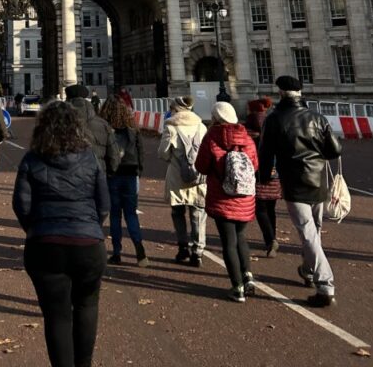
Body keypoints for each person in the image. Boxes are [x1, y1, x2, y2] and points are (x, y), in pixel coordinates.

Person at [12, 100, 109, 367]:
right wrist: (90, 228)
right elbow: (104, 204)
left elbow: (21, 205)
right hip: (88, 243)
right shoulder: (90, 157)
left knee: (57, 317)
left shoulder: (31, 158)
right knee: (87, 307)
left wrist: (35, 230)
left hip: (45, 244)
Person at [258, 75, 342, 308]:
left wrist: (264, 177)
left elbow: (265, 153)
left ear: (281, 93)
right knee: (314, 230)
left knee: (308, 233)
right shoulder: (317, 116)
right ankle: (307, 270)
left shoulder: (274, 119)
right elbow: (335, 150)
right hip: (317, 181)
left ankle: (325, 285)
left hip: (294, 182)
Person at [195, 102, 258, 302]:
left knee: (228, 242)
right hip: (244, 195)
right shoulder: (246, 137)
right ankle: (248, 276)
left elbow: (202, 166)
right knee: (241, 237)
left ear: (216, 117)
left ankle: (237, 287)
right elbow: (255, 165)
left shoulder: (212, 136)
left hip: (222, 195)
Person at [157, 95, 207, 266]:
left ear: (175, 109)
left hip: (177, 175)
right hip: (198, 175)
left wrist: (174, 158)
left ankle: (183, 248)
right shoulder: (201, 126)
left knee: (177, 213)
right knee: (197, 212)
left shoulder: (170, 127)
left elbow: (162, 153)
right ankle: (198, 251)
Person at [99, 95, 148, 266]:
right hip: (131, 174)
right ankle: (139, 247)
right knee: (131, 213)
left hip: (113, 175)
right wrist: (138, 171)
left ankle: (117, 252)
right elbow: (141, 152)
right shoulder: (133, 130)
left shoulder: (106, 129)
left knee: (115, 214)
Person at [246, 96, 281, 256]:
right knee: (271, 208)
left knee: (260, 209)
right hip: (275, 174)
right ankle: (272, 237)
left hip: (256, 175)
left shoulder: (247, 132)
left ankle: (270, 240)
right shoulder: (275, 128)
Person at [65, 84, 120, 174]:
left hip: (67, 178)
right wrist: (107, 175)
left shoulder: (56, 124)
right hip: (96, 175)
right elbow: (114, 155)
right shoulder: (102, 124)